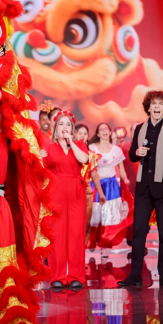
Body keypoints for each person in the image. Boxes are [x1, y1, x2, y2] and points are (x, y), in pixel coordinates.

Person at [119, 91, 163, 288]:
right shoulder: (140, 129)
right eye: (153, 103)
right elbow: (132, 155)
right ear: (148, 107)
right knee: (138, 231)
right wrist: (137, 152)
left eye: (160, 104)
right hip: (144, 188)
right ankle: (135, 275)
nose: (156, 107)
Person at [42, 111, 103, 290]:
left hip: (76, 193)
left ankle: (76, 276)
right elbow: (41, 171)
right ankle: (58, 276)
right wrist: (38, 156)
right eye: (61, 124)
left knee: (76, 234)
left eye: (68, 124)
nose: (65, 127)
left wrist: (71, 143)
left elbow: (84, 160)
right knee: (58, 234)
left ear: (72, 129)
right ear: (55, 128)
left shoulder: (79, 145)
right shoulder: (49, 148)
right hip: (56, 192)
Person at [88, 123, 130, 255]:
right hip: (95, 185)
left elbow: (121, 169)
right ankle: (92, 241)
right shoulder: (91, 148)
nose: (104, 131)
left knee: (108, 216)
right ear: (98, 133)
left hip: (111, 186)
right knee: (95, 215)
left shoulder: (116, 150)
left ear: (110, 132)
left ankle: (104, 246)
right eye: (101, 129)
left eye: (106, 129)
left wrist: (125, 179)